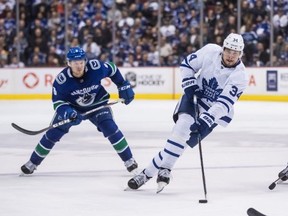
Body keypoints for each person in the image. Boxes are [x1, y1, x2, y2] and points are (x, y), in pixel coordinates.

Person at [127, 33, 248, 192]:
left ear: (241, 54)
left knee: (179, 144)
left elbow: (224, 103)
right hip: (194, 98)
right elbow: (187, 65)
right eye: (229, 50)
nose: (231, 55)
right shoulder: (210, 51)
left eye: (235, 52)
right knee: (181, 128)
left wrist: (207, 119)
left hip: (214, 111)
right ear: (223, 48)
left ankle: (146, 173)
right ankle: (166, 170)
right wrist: (190, 84)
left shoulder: (240, 76)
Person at [21, 47, 138, 175]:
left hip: (97, 105)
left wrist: (122, 84)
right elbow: (58, 103)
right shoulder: (62, 81)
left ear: (85, 61)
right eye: (75, 63)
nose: (79, 66)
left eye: (81, 62)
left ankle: (129, 160)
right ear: (68, 63)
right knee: (53, 133)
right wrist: (68, 113)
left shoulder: (95, 68)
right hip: (73, 109)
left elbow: (112, 69)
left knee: (110, 127)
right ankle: (32, 163)